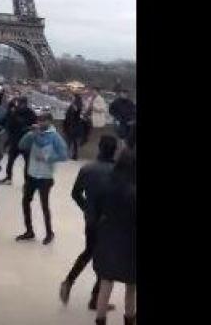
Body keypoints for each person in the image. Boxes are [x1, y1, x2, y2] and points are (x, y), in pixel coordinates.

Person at [59, 135, 119, 310]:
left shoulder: (87, 169)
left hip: (91, 220)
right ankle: (95, 298)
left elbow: (75, 193)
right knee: (107, 259)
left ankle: (69, 281)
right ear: (115, 150)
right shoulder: (117, 171)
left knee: (89, 251)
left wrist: (87, 208)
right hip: (111, 221)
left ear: (99, 148)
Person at [92, 148, 136, 325]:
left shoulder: (105, 184)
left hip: (107, 237)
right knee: (131, 285)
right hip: (130, 240)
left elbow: (95, 210)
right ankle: (129, 319)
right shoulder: (134, 191)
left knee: (106, 282)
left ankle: (100, 319)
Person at [15, 111, 68, 244]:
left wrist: (48, 158)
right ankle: (29, 230)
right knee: (25, 201)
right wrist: (30, 134)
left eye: (44, 120)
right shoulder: (33, 135)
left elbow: (64, 155)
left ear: (50, 121)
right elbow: (21, 145)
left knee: (44, 205)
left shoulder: (55, 137)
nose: (41, 123)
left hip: (46, 176)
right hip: (31, 174)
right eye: (39, 120)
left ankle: (49, 233)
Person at [1, 96, 37, 185]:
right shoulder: (30, 113)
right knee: (18, 161)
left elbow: (9, 126)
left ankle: (11, 178)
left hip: (18, 140)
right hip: (21, 141)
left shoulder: (16, 112)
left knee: (15, 161)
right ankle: (23, 180)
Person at [63, 92, 85, 160]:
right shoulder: (77, 105)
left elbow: (76, 111)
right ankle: (71, 155)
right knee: (72, 142)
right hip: (72, 125)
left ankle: (70, 155)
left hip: (73, 126)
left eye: (72, 97)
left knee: (71, 141)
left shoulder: (77, 105)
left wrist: (72, 104)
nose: (71, 98)